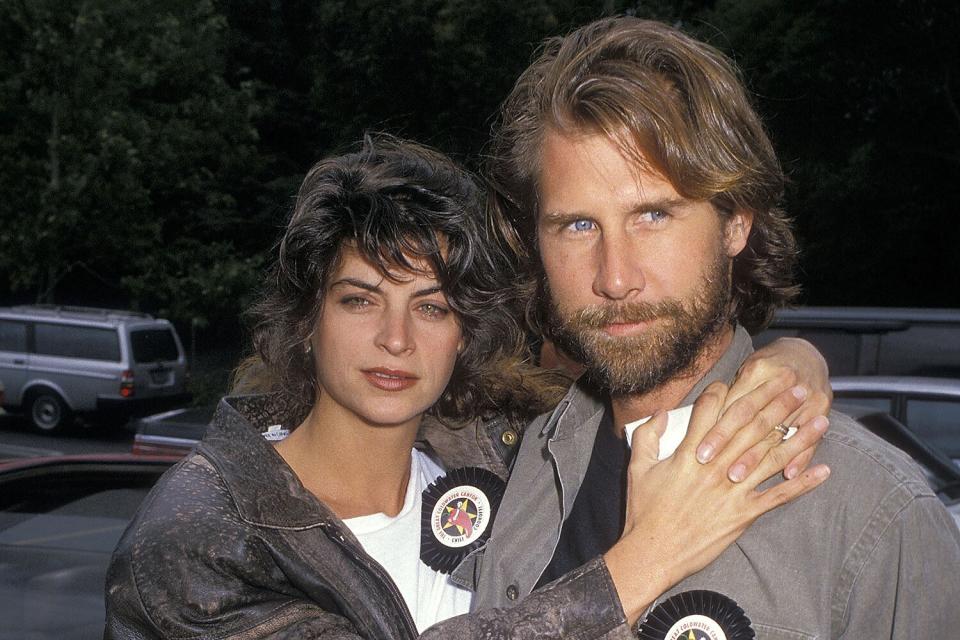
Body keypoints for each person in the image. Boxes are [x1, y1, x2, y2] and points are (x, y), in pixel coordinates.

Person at [104, 136, 829, 639]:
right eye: (359, 300)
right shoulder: (199, 536)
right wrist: (648, 557)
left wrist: (793, 360)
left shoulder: (504, 456)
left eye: (432, 307)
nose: (396, 340)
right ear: (305, 320)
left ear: (465, 332)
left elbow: (640, 383)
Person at [478, 16, 960, 638]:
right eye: (577, 225)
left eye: (652, 215)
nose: (615, 278)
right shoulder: (522, 467)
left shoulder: (872, 515)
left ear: (736, 225)